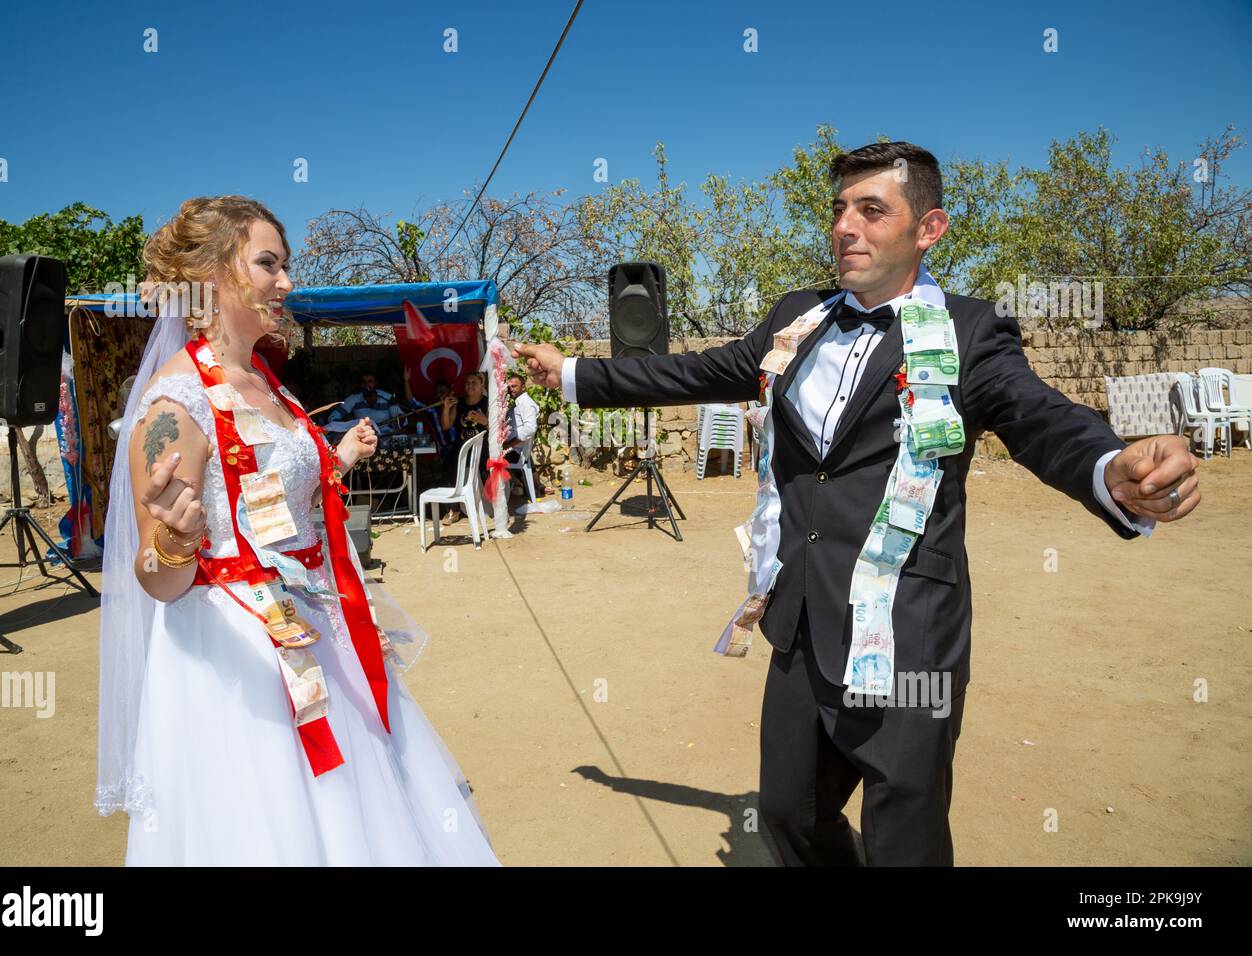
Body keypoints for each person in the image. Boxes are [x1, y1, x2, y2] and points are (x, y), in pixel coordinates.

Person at [514, 141, 1201, 867]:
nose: (846, 226)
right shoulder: (796, 317)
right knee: (786, 814)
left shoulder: (968, 330)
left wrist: (1105, 464)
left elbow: (1038, 415)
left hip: (909, 635)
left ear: (927, 229)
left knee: (905, 833)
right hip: (803, 619)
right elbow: (696, 370)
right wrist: (577, 374)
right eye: (840, 209)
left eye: (872, 210)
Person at [96, 195, 499, 865]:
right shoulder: (175, 403)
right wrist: (174, 542)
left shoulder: (268, 386)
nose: (287, 283)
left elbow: (279, 502)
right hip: (239, 666)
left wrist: (335, 462)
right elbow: (157, 579)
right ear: (209, 273)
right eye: (268, 264)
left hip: (317, 629)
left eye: (286, 267)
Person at [437, 371, 489, 525]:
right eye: (467, 383)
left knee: (485, 470)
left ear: (482, 385)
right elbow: (446, 425)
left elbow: (497, 429)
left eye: (474, 383)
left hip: (481, 447)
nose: (470, 386)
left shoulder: (487, 403)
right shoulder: (459, 402)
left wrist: (484, 421)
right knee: (450, 467)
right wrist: (446, 408)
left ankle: (487, 506)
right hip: (462, 447)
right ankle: (454, 509)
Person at [326, 372, 404, 438]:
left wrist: (397, 423)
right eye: (364, 382)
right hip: (362, 437)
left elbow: (401, 420)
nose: (367, 385)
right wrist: (348, 426)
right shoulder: (354, 398)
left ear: (375, 383)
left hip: (386, 436)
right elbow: (333, 417)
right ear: (360, 384)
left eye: (370, 381)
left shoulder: (387, 397)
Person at [504, 371, 540, 498]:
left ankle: (515, 486)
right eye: (509, 387)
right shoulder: (518, 403)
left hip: (515, 450)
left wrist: (509, 444)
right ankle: (531, 486)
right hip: (516, 449)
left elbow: (530, 428)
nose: (511, 389)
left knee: (486, 457)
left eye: (514, 386)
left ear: (523, 386)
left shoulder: (526, 403)